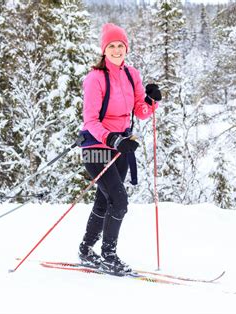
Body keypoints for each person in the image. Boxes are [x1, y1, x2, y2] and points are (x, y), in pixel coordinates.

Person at [78, 23, 162, 276]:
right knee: (119, 201)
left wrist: (152, 100)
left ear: (126, 48)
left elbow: (141, 112)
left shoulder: (131, 74)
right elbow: (91, 120)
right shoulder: (95, 78)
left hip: (121, 146)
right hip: (96, 146)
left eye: (120, 46)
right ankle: (108, 256)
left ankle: (85, 250)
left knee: (105, 200)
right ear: (104, 50)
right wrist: (113, 139)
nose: (116, 50)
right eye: (111, 46)